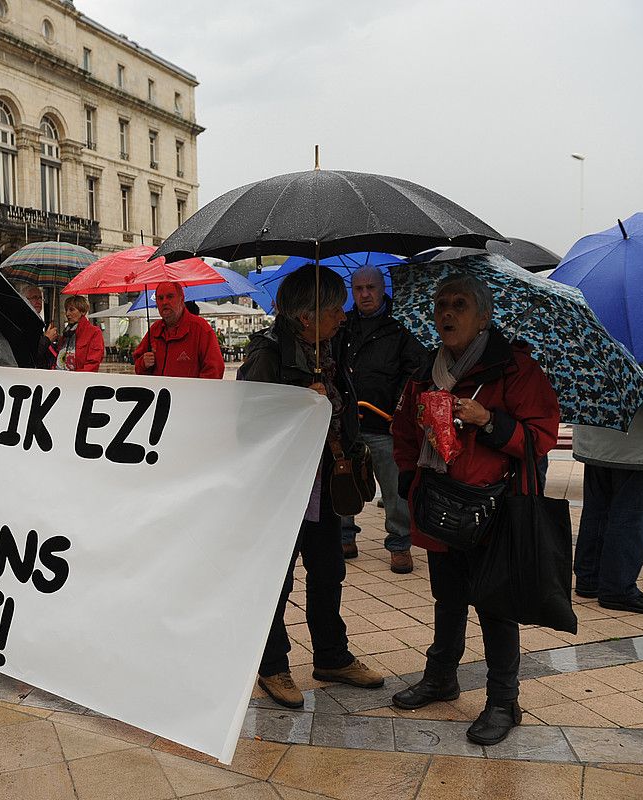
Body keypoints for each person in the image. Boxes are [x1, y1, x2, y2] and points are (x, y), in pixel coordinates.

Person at [391, 274, 558, 746]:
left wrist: (489, 421)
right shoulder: (426, 370)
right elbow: (405, 428)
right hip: (440, 504)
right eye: (441, 303)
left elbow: (539, 439)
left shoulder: (515, 370)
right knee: (447, 597)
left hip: (494, 509)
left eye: (459, 304)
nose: (446, 312)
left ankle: (504, 701)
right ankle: (441, 676)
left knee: (494, 605)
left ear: (483, 316)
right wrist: (409, 476)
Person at [237, 264, 385, 709]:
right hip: (283, 487)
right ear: (307, 316)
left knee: (328, 571)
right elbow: (248, 424)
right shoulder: (267, 354)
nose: (343, 316)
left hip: (326, 480)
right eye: (334, 309)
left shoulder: (327, 347)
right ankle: (272, 664)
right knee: (277, 581)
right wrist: (301, 400)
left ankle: (332, 656)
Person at [336, 266, 428, 572]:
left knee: (393, 487)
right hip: (348, 421)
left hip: (385, 421)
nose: (364, 294)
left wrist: (399, 414)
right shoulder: (342, 325)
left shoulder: (401, 326)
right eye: (358, 288)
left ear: (381, 288)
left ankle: (400, 543)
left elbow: (413, 373)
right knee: (343, 478)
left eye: (370, 288)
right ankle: (345, 534)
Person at [573, 350, 643, 613]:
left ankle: (589, 579)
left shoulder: (586, 327)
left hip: (594, 437)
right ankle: (618, 588)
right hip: (635, 441)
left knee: (597, 511)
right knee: (633, 517)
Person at [132, 282, 224, 379]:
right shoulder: (154, 330)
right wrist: (143, 363)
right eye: (160, 298)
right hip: (160, 393)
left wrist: (197, 391)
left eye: (170, 297)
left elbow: (215, 370)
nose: (164, 302)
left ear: (181, 299)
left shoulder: (201, 329)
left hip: (190, 393)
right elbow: (138, 367)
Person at [47, 295, 104, 372]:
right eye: (66, 310)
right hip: (59, 378)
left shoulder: (94, 332)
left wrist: (78, 379)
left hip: (79, 380)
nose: (67, 314)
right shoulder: (66, 333)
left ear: (83, 311)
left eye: (72, 310)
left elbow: (93, 363)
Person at [19, 282, 57, 369]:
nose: (39, 301)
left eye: (40, 298)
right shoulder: (24, 322)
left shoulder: (36, 321)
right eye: (35, 297)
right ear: (25, 300)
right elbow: (30, 354)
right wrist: (47, 339)